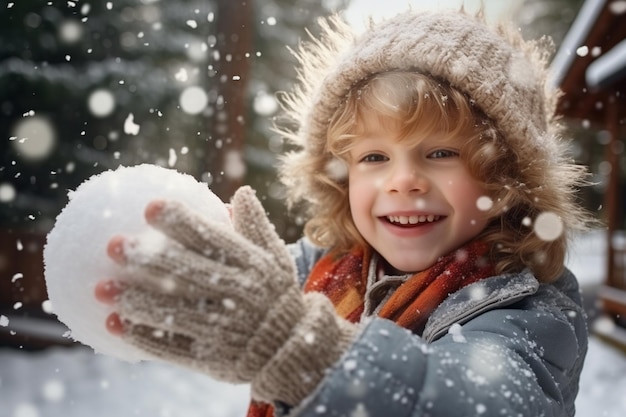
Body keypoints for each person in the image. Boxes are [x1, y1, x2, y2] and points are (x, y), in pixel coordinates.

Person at [94, 7, 594, 417]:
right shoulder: (322, 269)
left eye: (440, 153)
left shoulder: (528, 312)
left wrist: (303, 349)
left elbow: (478, 401)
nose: (403, 180)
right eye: (374, 158)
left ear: (506, 184)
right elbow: (254, 287)